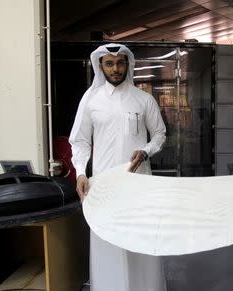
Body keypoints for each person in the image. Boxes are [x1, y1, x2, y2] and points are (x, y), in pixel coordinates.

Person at [69, 43, 167, 291]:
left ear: (128, 64)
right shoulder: (91, 100)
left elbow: (160, 134)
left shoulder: (143, 99)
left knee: (140, 242)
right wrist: (81, 172)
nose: (115, 68)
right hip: (103, 186)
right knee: (108, 244)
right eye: (109, 63)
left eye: (120, 62)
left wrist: (146, 151)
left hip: (139, 185)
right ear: (100, 65)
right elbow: (79, 141)